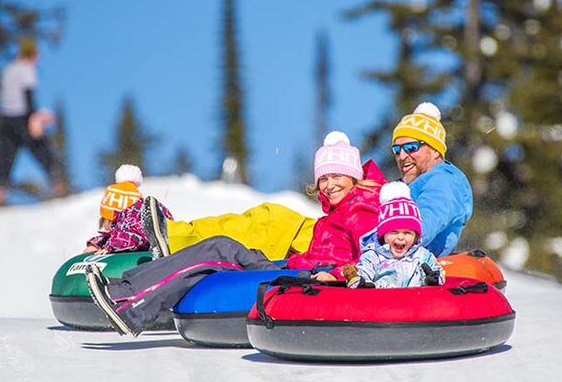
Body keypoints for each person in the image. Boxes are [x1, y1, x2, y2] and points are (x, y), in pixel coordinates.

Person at [84, 131, 385, 336]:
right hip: (294, 267)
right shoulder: (339, 211)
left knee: (219, 251)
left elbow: (373, 258)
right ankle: (127, 294)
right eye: (323, 178)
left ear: (355, 177)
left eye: (336, 177)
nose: (328, 185)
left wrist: (336, 274)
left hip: (312, 280)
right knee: (222, 247)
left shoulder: (362, 210)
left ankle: (128, 303)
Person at [360, 101, 473, 257]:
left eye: (411, 147)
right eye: (397, 150)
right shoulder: (402, 187)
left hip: (415, 270)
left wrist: (377, 251)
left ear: (435, 151)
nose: (402, 156)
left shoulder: (444, 180)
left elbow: (427, 219)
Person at [0, 38, 66, 206]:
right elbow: (28, 96)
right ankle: (59, 185)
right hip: (23, 117)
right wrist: (34, 117)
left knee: (5, 156)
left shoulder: (8, 70)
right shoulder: (27, 69)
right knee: (42, 150)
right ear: (32, 54)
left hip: (5, 118)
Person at [335, 182, 443, 288]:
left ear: (416, 236)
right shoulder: (374, 257)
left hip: (416, 302)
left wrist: (434, 279)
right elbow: (363, 271)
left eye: (407, 233)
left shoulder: (422, 256)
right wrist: (360, 282)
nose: (400, 237)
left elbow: (438, 272)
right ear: (383, 235)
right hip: (383, 302)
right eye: (394, 232)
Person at [83, 164, 175, 255]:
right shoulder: (112, 238)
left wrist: (110, 247)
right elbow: (106, 238)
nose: (105, 226)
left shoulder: (128, 233)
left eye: (107, 220)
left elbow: (129, 236)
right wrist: (95, 245)